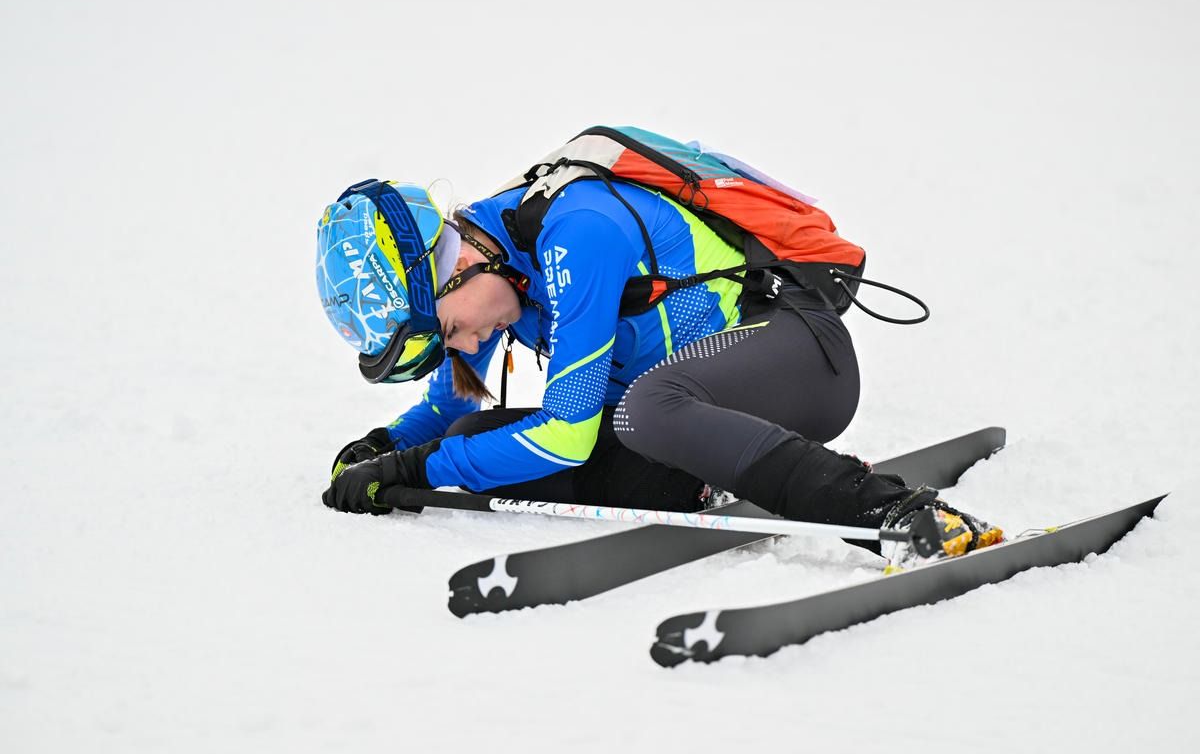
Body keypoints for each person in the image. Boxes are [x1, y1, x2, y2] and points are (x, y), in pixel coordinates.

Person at [315, 170, 1002, 567]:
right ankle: (704, 477)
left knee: (641, 409)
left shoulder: (575, 232)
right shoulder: (493, 264)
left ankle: (890, 510)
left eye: (449, 330)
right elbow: (447, 409)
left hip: (799, 352)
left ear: (458, 264)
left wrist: (417, 469)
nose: (465, 346)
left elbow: (566, 435)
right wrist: (387, 447)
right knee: (474, 434)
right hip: (685, 409)